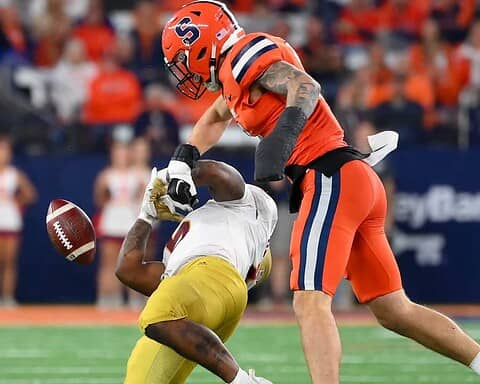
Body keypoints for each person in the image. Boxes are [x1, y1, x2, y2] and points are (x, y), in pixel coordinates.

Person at [160, 2, 480, 383]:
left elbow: (304, 87)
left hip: (329, 177)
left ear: (204, 45)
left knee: (310, 301)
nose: (184, 70)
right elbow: (215, 116)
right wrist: (183, 158)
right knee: (394, 309)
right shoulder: (235, 76)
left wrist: (282, 135)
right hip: (350, 178)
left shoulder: (244, 57)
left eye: (184, 59)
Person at [116, 159, 277, 383]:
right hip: (198, 298)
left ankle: (243, 381)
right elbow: (128, 271)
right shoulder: (238, 238)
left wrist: (175, 174)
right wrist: (146, 215)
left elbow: (216, 172)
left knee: (156, 314)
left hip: (213, 273)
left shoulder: (244, 207)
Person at [94, 139, 143, 308]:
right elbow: (99, 199)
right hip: (112, 221)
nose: (121, 156)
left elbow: (142, 199)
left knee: (131, 263)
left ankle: (134, 300)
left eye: (123, 153)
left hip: (129, 222)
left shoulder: (136, 176)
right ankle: (106, 298)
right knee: (109, 263)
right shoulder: (106, 176)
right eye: (117, 153)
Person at [0, 135, 37, 306]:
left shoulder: (14, 175)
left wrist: (16, 201)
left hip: (10, 221)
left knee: (9, 262)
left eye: (5, 150)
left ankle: (7, 298)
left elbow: (30, 195)